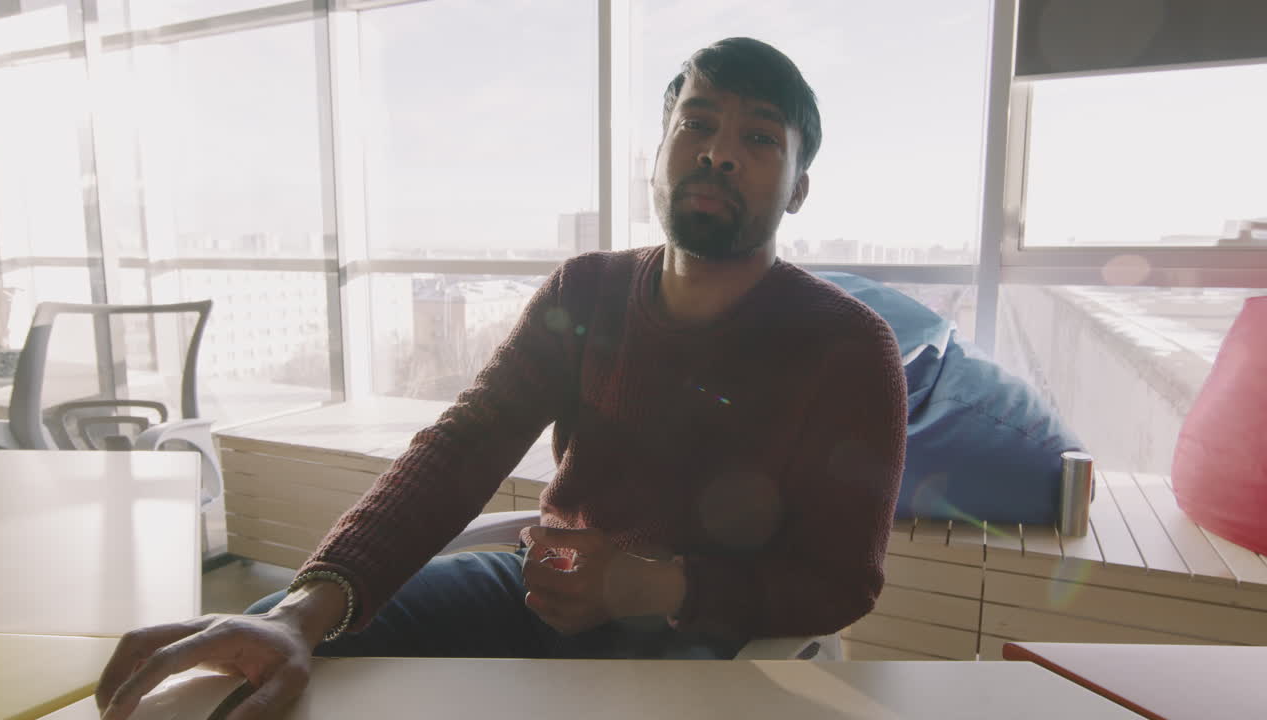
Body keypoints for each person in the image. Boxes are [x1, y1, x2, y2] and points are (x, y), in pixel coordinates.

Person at [96, 37, 907, 720]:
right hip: (535, 589)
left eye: (760, 138)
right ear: (657, 156)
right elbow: (462, 447)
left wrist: (652, 586)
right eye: (695, 122)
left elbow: (839, 579)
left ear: (799, 186)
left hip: (706, 635)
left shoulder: (848, 349)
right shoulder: (586, 291)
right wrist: (305, 606)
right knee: (259, 664)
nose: (719, 150)